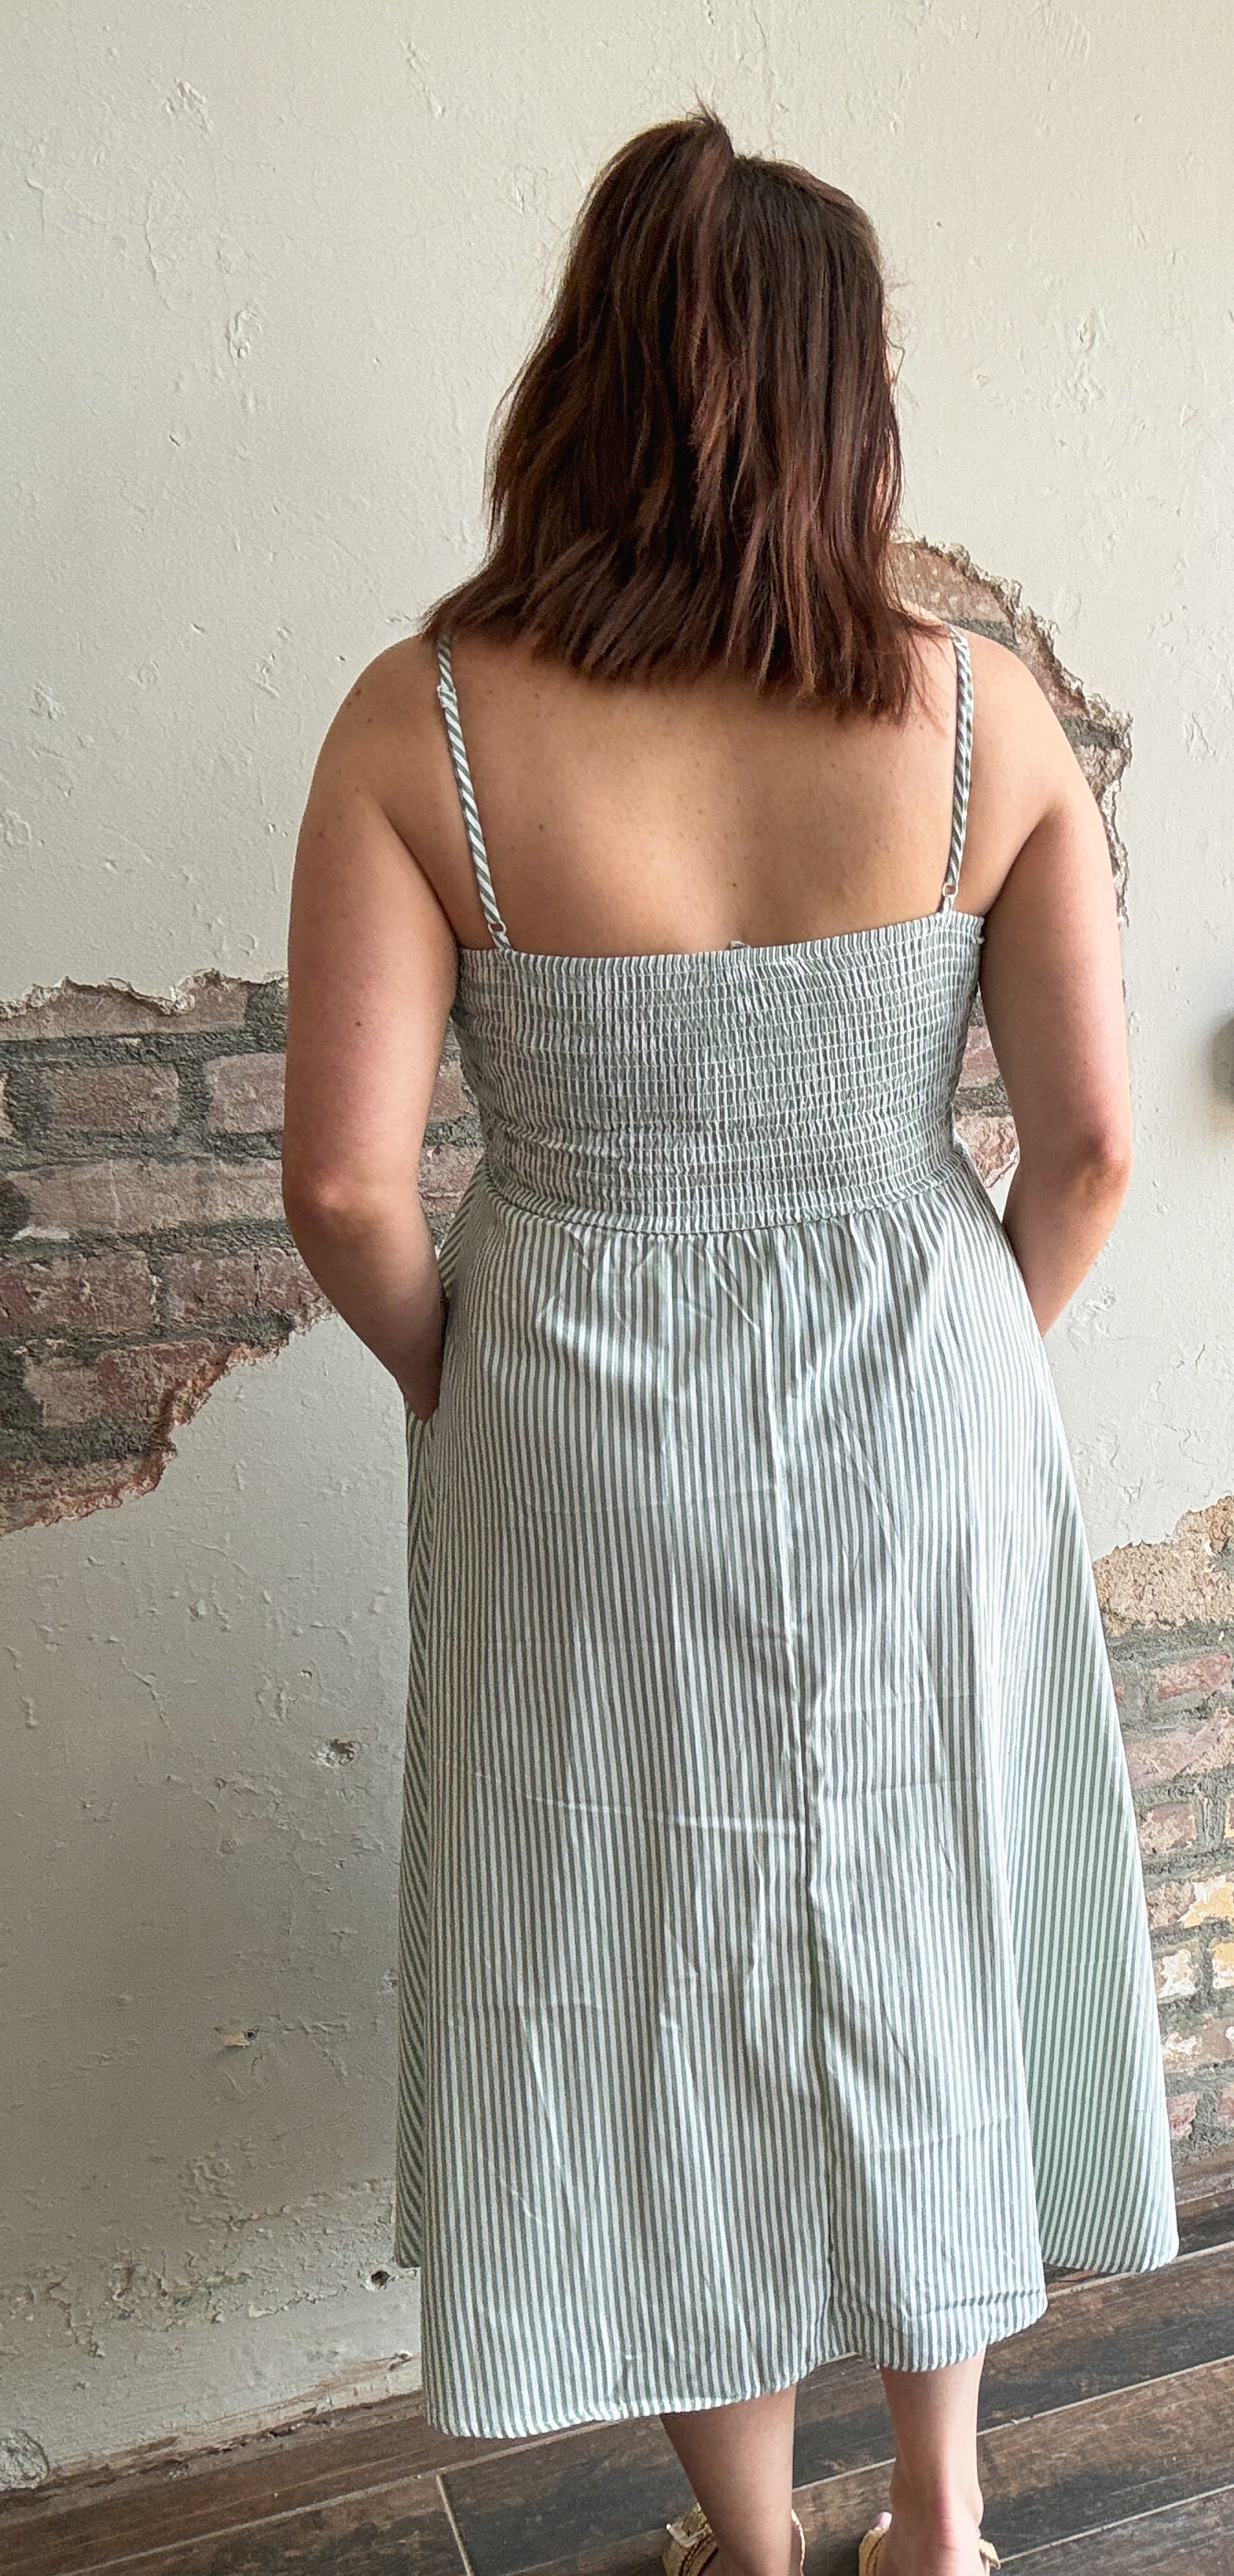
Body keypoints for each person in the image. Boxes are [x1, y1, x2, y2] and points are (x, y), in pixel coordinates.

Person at [281, 107, 1177, 2576]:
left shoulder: (422, 723)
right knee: (923, 1924)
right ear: (845, 402)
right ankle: (946, 2521)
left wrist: (468, 1375)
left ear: (574, 380)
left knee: (650, 1968)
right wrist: (956, 1358)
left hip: (574, 1407)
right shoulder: (980, 718)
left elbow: (343, 1189)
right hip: (923, 1385)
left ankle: (752, 2550)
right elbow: (1091, 1147)